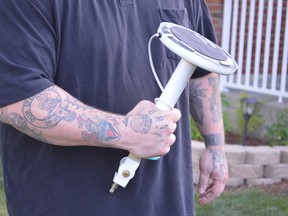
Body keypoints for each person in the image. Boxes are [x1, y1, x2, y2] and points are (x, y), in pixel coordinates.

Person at [0, 0, 229, 215]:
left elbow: (201, 70)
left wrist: (215, 146)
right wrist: (128, 132)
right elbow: (17, 99)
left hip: (166, 200)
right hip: (65, 201)